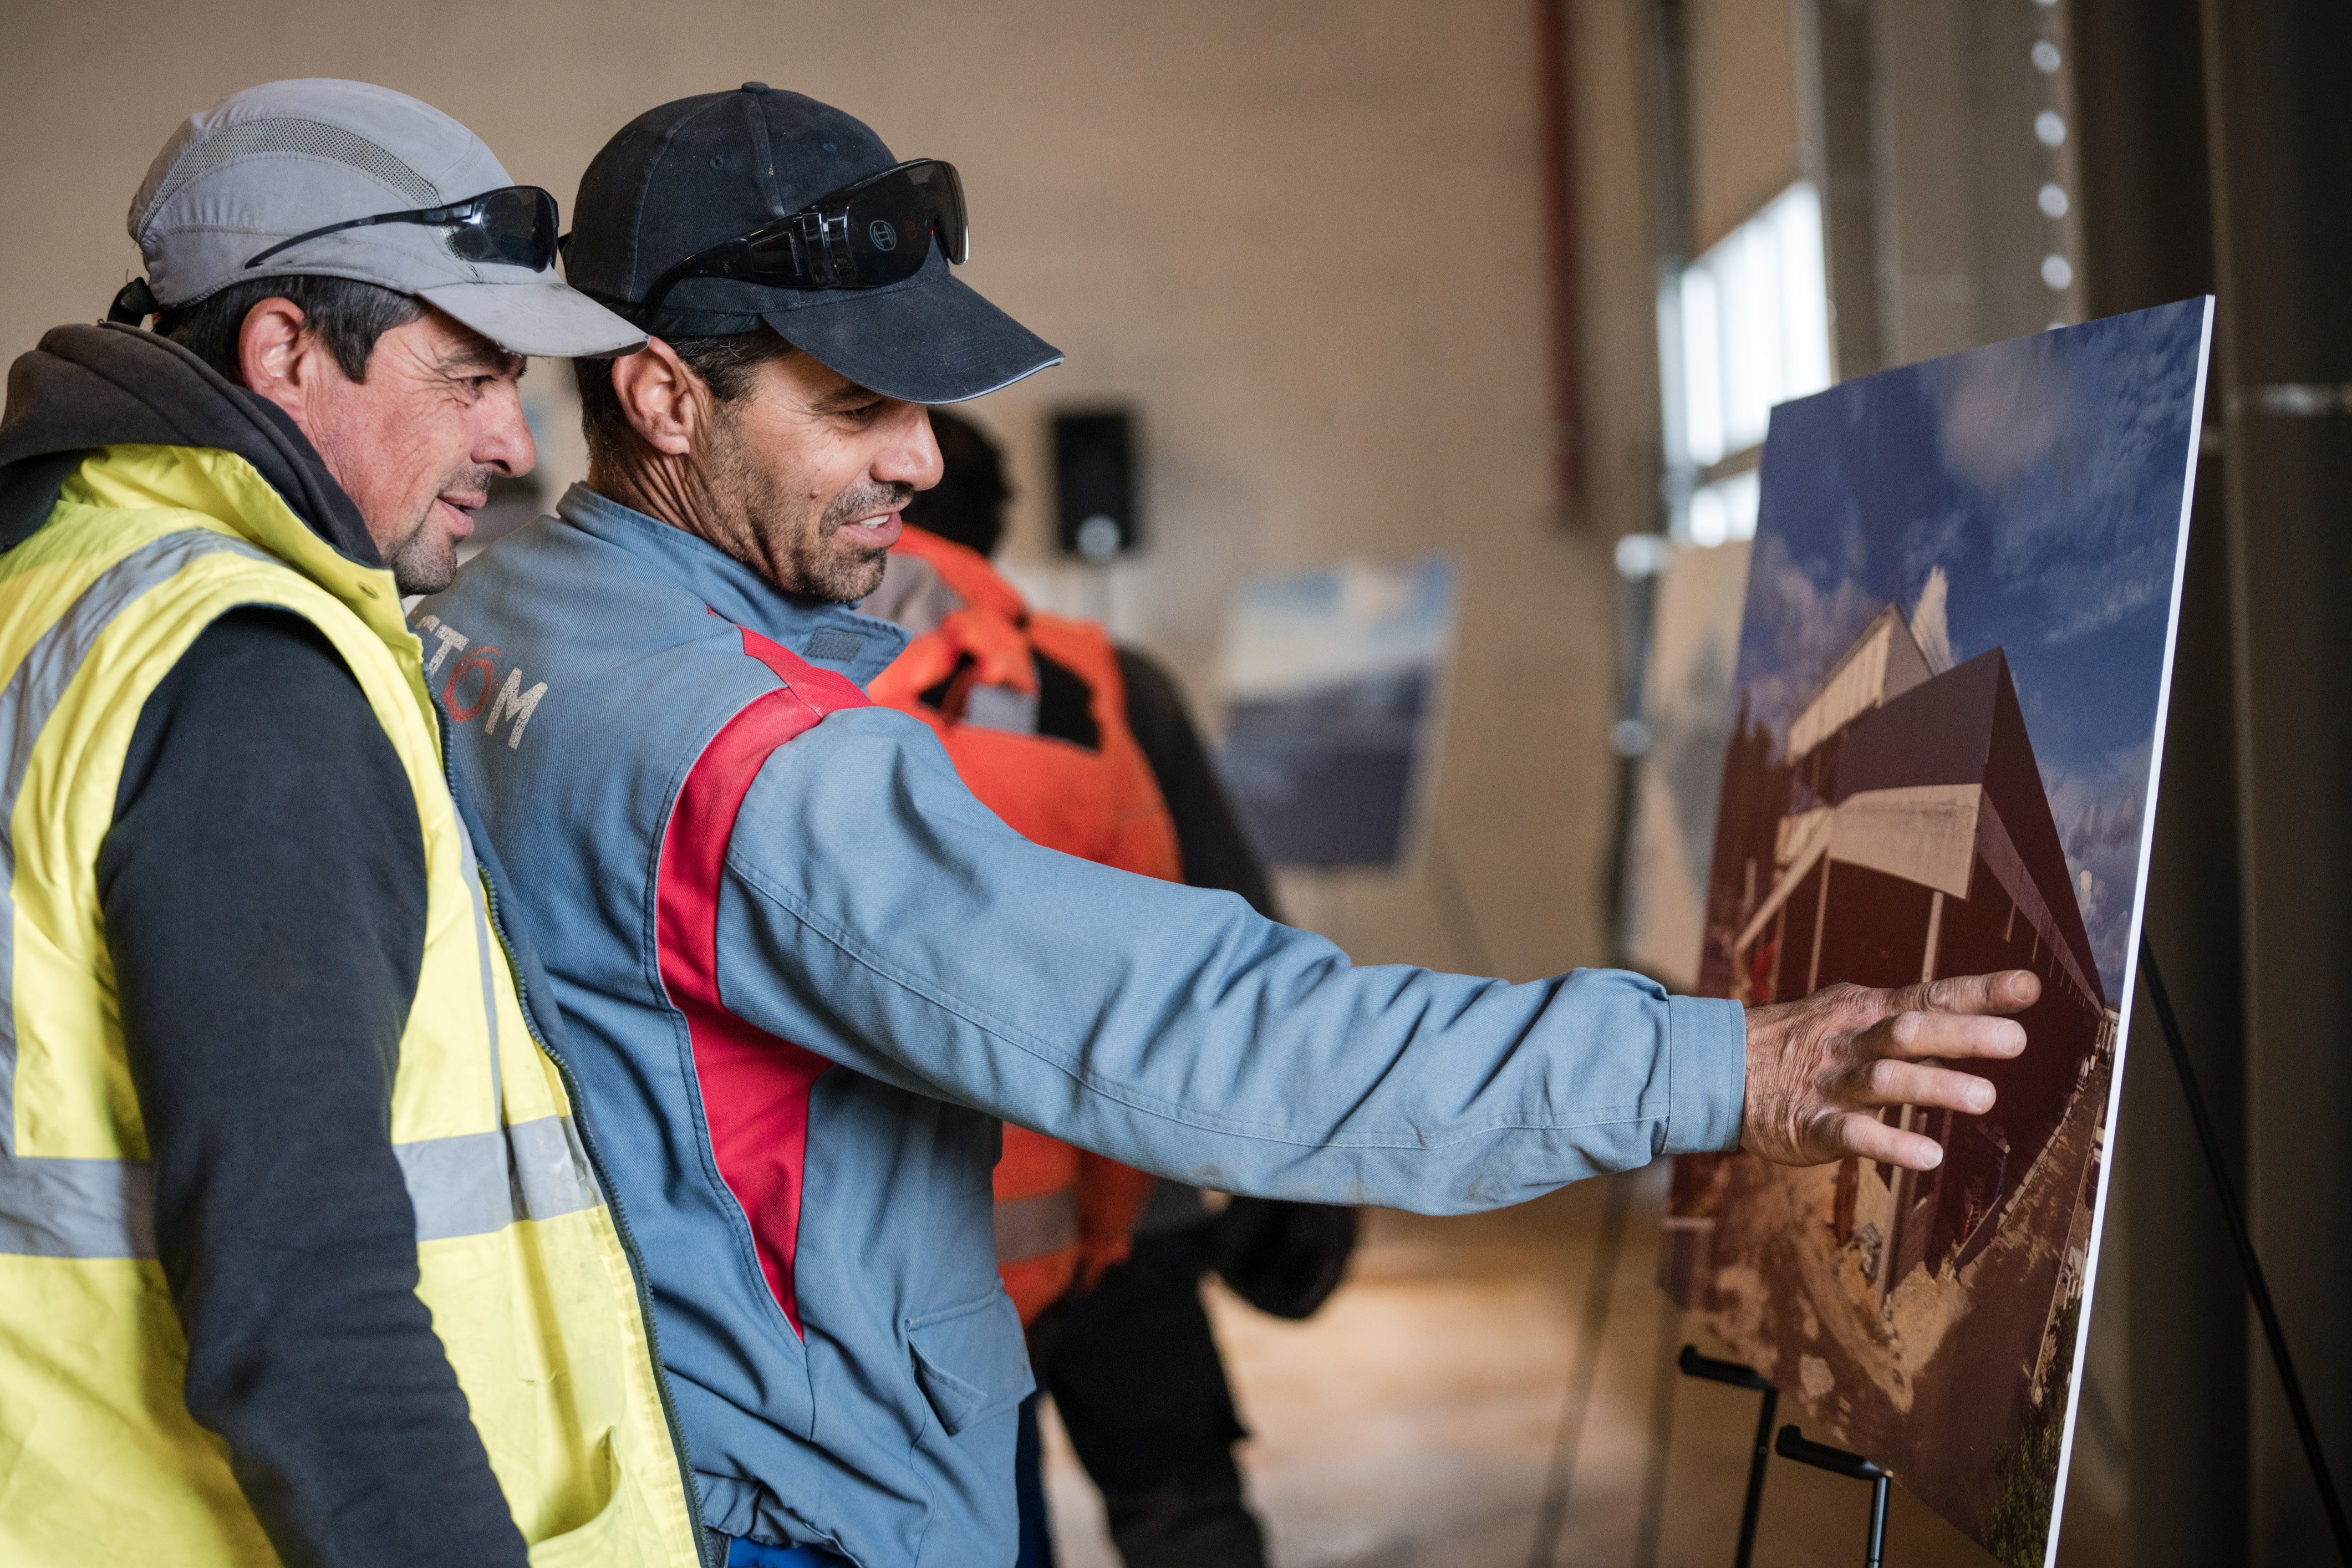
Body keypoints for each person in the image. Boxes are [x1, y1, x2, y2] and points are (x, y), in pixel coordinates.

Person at [418, 84, 2040, 1568]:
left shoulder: (498, 614)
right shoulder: (748, 763)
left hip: (649, 1446)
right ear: (660, 399)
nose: (920, 457)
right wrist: (1725, 1069)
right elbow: (1212, 1034)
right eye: (856, 407)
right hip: (789, 1509)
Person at [0, 80, 705, 1567]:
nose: (515, 442)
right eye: (466, 377)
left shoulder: (53, 586)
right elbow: (303, 1295)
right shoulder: (244, 670)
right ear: (286, 351)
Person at [869, 409, 1322, 1567]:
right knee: (1182, 1508)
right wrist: (1300, 1164)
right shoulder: (1110, 683)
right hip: (1128, 1201)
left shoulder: (816, 692)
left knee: (983, 1522)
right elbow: (1231, 942)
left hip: (925, 1225)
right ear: (1004, 530)